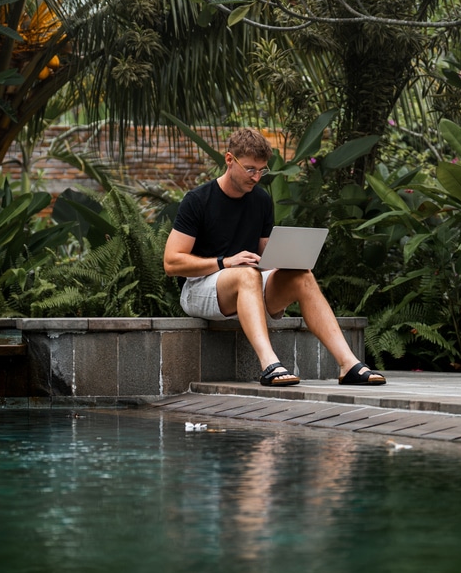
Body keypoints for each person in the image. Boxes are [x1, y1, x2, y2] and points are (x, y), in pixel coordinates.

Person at [163, 128, 387, 387]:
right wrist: (225, 262)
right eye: (249, 169)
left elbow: (265, 254)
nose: (256, 177)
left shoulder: (260, 200)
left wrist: (284, 261)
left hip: (248, 284)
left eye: (261, 170)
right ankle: (270, 364)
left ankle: (348, 365)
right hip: (200, 288)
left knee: (301, 276)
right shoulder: (198, 200)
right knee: (246, 274)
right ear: (228, 160)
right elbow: (171, 263)